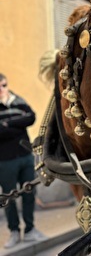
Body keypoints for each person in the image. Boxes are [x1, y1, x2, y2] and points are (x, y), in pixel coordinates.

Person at [0, 73, 46, 248]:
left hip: (26, 156)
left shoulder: (18, 100)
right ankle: (13, 232)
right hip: (5, 160)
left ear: (7, 84)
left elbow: (32, 117)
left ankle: (30, 230)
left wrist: (7, 124)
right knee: (9, 197)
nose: (1, 89)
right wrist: (17, 124)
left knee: (29, 193)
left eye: (3, 85)